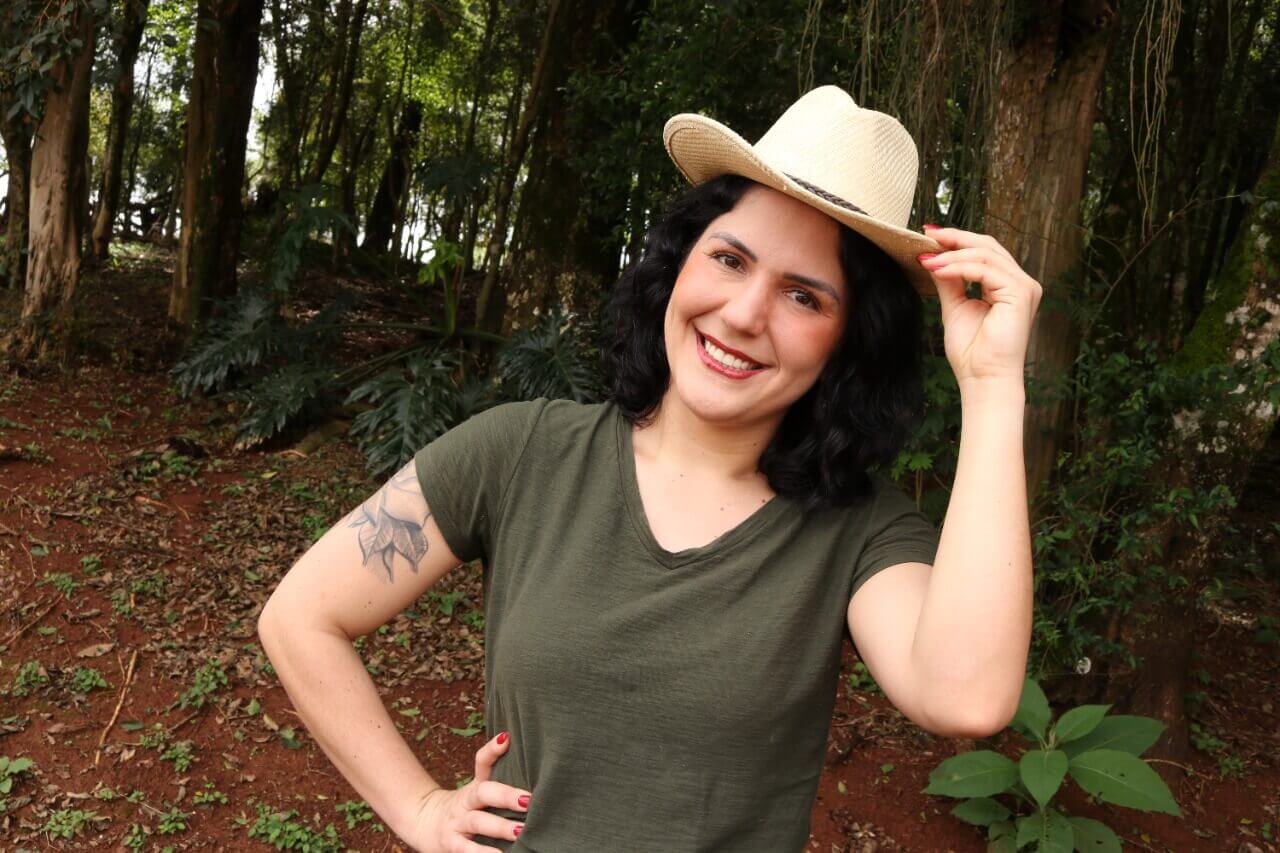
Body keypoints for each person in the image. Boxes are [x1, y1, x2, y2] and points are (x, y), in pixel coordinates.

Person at [258, 85, 1040, 852]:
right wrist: (421, 808)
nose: (743, 313)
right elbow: (301, 617)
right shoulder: (520, 452)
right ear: (678, 261)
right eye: (729, 259)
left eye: (804, 297)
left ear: (849, 342)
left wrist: (993, 383)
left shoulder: (858, 528)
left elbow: (966, 694)